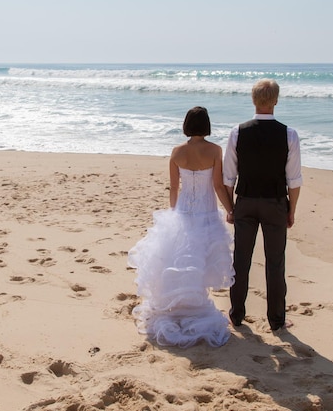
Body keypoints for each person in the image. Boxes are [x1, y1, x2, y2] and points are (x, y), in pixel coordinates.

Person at [128, 106, 235, 348]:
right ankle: (194, 305)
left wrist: (174, 213)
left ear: (186, 125)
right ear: (206, 125)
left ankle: (179, 304)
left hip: (184, 211)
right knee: (201, 260)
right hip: (207, 212)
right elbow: (218, 186)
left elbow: (174, 188)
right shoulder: (215, 150)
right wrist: (230, 208)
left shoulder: (177, 152)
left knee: (180, 260)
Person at [223, 79, 303, 332]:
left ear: (253, 100)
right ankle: (277, 320)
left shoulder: (238, 132)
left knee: (241, 260)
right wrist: (292, 210)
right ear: (276, 101)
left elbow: (228, 177)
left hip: (246, 201)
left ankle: (236, 316)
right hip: (275, 203)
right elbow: (294, 180)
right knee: (275, 262)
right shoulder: (288, 134)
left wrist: (230, 208)